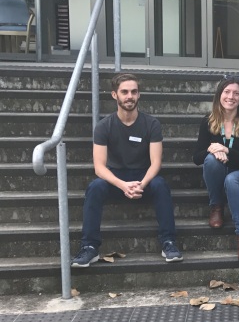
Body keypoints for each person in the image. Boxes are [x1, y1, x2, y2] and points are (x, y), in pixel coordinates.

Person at [71, 73, 183, 267]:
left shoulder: (151, 124)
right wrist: (123, 185)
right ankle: (89, 247)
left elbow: (156, 162)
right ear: (115, 95)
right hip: (116, 179)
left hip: (143, 178)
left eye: (133, 92)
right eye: (124, 92)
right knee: (95, 187)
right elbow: (99, 167)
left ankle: (169, 242)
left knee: (161, 185)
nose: (129, 96)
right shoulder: (104, 126)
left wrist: (141, 184)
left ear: (138, 95)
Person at [192, 75, 239, 261]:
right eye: (227, 92)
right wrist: (212, 148)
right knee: (211, 161)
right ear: (219, 95)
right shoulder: (208, 121)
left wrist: (226, 150)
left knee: (232, 179)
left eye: (236, 93)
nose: (231, 97)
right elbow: (196, 158)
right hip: (218, 173)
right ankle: (216, 206)